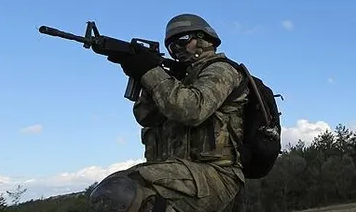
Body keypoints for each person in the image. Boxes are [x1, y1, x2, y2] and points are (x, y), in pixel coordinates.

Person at [88, 14, 247, 212]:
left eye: (182, 40)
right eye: (171, 46)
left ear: (204, 39)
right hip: (183, 176)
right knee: (116, 191)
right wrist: (144, 74)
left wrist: (150, 71)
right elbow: (145, 116)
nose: (177, 50)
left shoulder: (222, 70)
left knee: (121, 190)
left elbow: (191, 110)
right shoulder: (177, 81)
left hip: (217, 176)